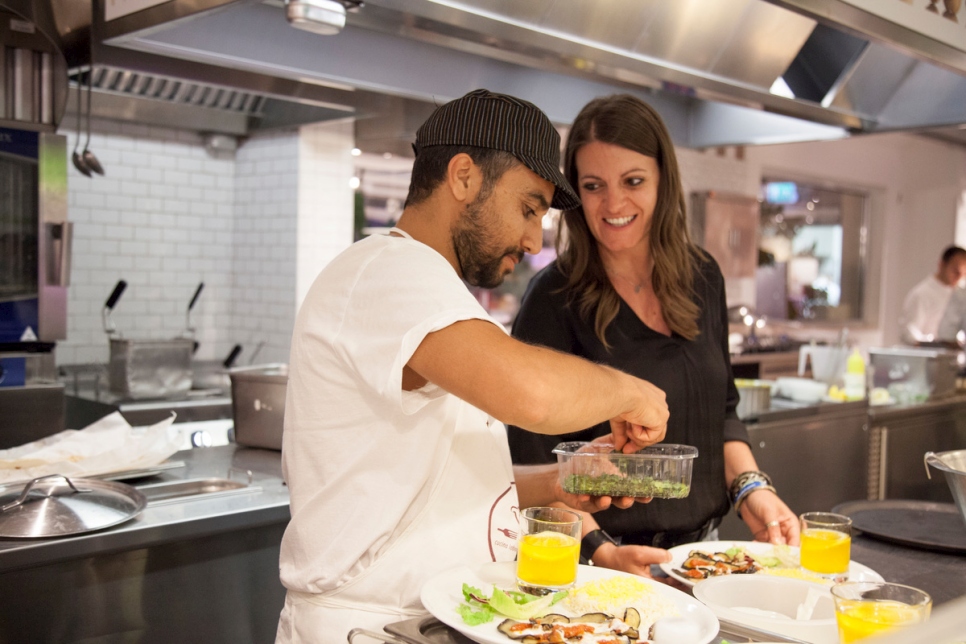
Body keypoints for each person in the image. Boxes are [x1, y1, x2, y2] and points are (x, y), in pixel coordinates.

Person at [275, 89, 671, 643]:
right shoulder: (389, 269)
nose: (532, 239)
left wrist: (559, 480)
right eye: (528, 208)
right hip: (369, 626)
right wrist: (635, 394)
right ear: (463, 176)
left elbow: (440, 485)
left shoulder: (434, 294)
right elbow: (531, 393)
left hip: (429, 619)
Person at [507, 94, 799, 579]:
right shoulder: (553, 297)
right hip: (602, 565)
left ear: (663, 180)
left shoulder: (702, 276)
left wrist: (754, 490)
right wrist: (602, 551)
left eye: (633, 181)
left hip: (705, 558)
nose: (614, 204)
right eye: (594, 186)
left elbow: (722, 413)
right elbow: (534, 463)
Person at [899, 245, 966, 345]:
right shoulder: (921, 294)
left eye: (964, 273)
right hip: (928, 352)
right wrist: (936, 344)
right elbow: (909, 333)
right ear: (942, 265)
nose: (959, 277)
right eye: (955, 271)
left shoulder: (960, 295)